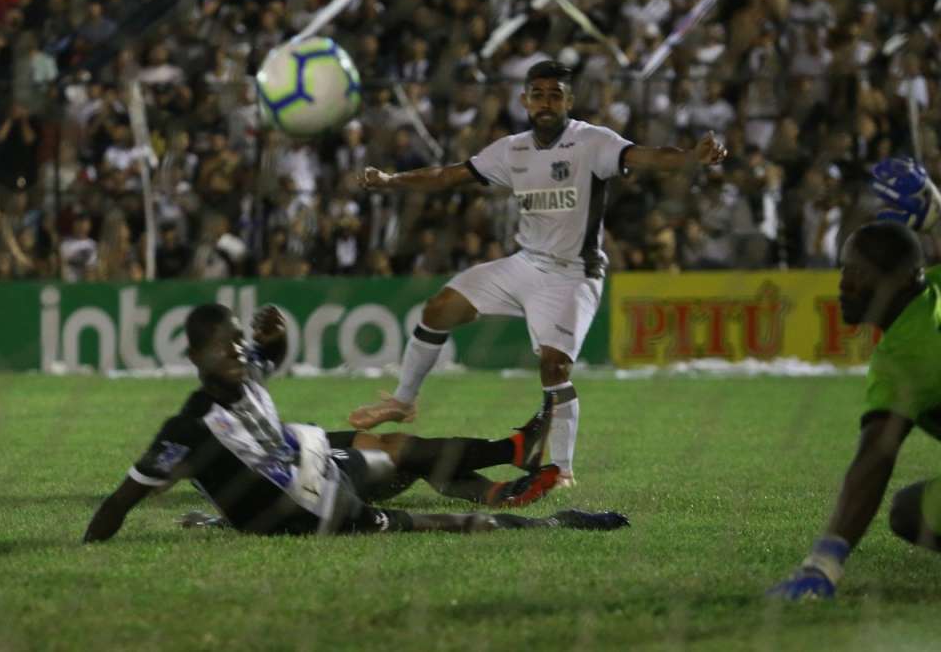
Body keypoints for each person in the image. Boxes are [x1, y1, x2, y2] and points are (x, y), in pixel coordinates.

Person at [348, 60, 728, 487]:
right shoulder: (512, 149)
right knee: (439, 308)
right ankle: (403, 401)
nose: (546, 103)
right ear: (525, 101)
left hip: (575, 274)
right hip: (525, 264)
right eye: (538, 95)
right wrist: (391, 181)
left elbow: (648, 156)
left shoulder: (592, 142)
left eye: (555, 95)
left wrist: (691, 157)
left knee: (554, 368)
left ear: (569, 101)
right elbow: (447, 176)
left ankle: (562, 470)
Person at [84, 303, 629, 542]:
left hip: (311, 459)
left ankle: (509, 458)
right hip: (313, 498)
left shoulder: (244, 372)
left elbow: (268, 358)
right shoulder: (188, 427)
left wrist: (277, 337)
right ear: (193, 356)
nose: (236, 351)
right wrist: (88, 546)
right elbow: (121, 501)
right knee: (422, 502)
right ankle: (545, 511)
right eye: (220, 345)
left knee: (399, 452)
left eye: (237, 340)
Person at [769, 159, 941, 599]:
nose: (843, 285)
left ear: (899, 281)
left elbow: (874, 460)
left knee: (909, 513)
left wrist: (824, 562)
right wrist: (934, 211)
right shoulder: (932, 289)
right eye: (845, 270)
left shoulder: (907, 355)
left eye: (859, 272)